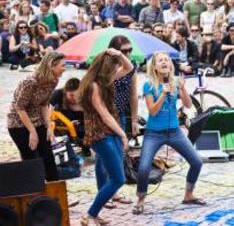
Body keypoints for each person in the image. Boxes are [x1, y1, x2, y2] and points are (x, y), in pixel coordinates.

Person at [135, 52, 205, 215]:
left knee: (197, 162)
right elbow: (152, 111)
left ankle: (188, 195)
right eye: (160, 61)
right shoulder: (149, 85)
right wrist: (163, 94)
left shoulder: (175, 83)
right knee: (144, 168)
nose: (164, 62)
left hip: (174, 132)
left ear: (171, 65)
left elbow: (188, 105)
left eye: (166, 60)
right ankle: (140, 198)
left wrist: (182, 89)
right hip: (154, 133)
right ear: (155, 66)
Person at [78, 49, 133, 225]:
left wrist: (118, 54)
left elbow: (129, 67)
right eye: (114, 68)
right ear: (106, 70)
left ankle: (95, 213)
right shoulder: (94, 85)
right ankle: (90, 214)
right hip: (101, 135)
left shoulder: (105, 80)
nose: (117, 71)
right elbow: (104, 115)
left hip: (110, 132)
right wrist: (123, 134)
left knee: (112, 175)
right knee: (118, 178)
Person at [7, 52, 66, 182]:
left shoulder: (53, 80)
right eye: (62, 65)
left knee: (48, 158)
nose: (64, 68)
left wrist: (48, 126)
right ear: (51, 66)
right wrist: (32, 131)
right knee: (32, 161)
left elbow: (44, 104)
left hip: (38, 121)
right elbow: (19, 107)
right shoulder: (31, 81)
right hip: (18, 123)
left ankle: (55, 194)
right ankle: (36, 197)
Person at [49, 77, 90, 156]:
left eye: (77, 95)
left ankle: (85, 148)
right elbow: (48, 110)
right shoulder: (58, 94)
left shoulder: (87, 95)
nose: (74, 98)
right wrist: (49, 127)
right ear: (65, 92)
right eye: (71, 95)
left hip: (81, 121)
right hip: (63, 122)